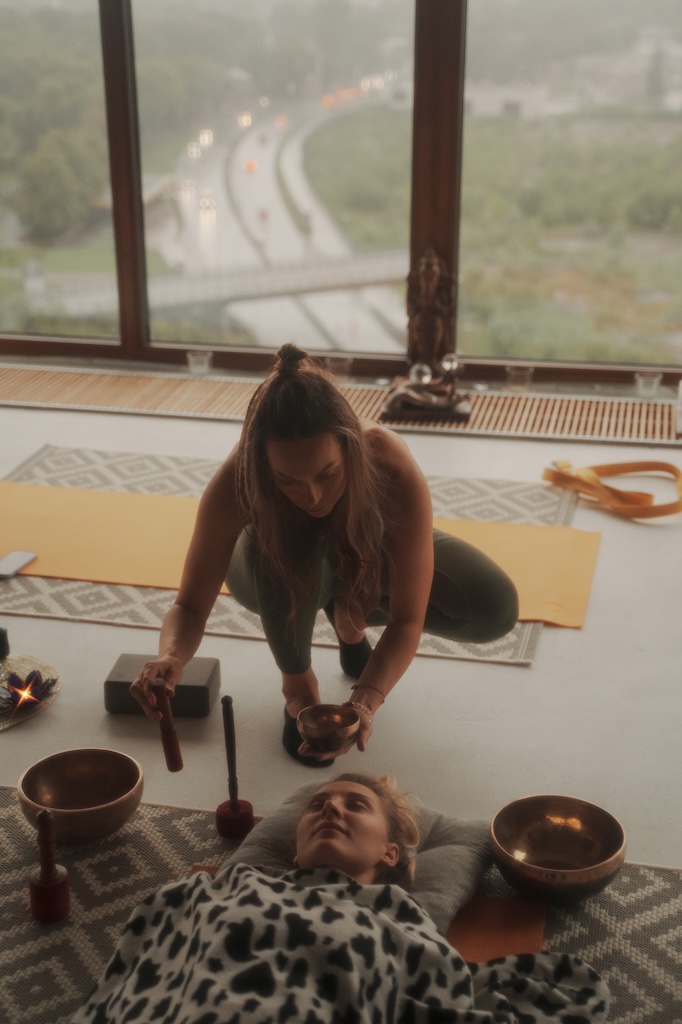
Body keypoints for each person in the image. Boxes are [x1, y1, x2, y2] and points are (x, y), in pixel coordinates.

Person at [130, 344, 519, 764]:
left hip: (360, 551)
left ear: (350, 446)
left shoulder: (388, 461)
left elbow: (408, 617)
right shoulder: (238, 479)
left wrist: (365, 701)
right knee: (283, 549)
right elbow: (189, 605)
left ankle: (348, 617)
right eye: (288, 480)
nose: (312, 495)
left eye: (327, 473)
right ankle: (297, 690)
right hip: (269, 572)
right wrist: (170, 656)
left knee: (492, 605)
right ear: (263, 465)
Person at [71, 773, 609, 1024]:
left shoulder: (400, 916)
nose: (330, 809)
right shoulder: (218, 889)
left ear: (391, 854)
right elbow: (148, 964)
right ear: (297, 845)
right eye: (318, 805)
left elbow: (436, 987)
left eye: (356, 805)